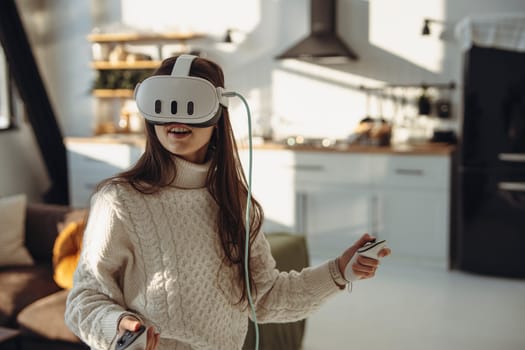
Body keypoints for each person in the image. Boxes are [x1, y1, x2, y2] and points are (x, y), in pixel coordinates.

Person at [64, 55, 391, 350]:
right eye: (163, 104)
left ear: (217, 115)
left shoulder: (234, 200)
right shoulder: (120, 199)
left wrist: (338, 272)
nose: (176, 118)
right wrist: (118, 327)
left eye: (192, 103)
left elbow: (265, 298)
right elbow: (83, 300)